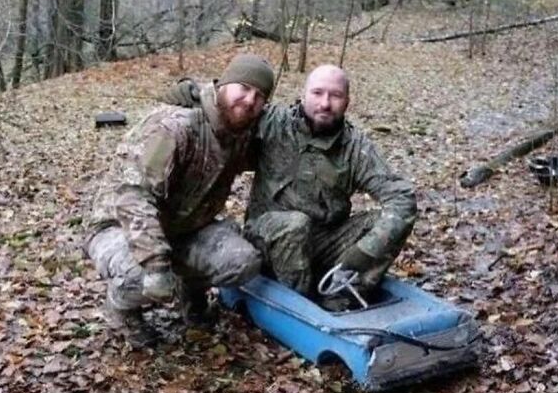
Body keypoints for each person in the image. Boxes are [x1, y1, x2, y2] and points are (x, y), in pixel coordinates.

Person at [166, 64, 417, 305]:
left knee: (382, 223)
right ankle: (300, 304)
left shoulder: (355, 146)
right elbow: (234, 106)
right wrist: (196, 92)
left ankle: (340, 295)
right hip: (266, 236)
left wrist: (365, 252)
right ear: (303, 95)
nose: (325, 104)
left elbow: (401, 197)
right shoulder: (273, 122)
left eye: (336, 96)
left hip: (322, 241)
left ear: (347, 102)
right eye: (317, 93)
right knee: (295, 224)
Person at [85, 53, 274, 347]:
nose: (249, 100)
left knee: (242, 261)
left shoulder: (242, 131)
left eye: (259, 95)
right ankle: (121, 307)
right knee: (145, 277)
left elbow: (293, 127)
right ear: (223, 84)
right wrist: (156, 263)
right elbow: (132, 196)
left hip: (185, 227)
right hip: (119, 226)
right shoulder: (176, 126)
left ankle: (191, 296)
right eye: (243, 87)